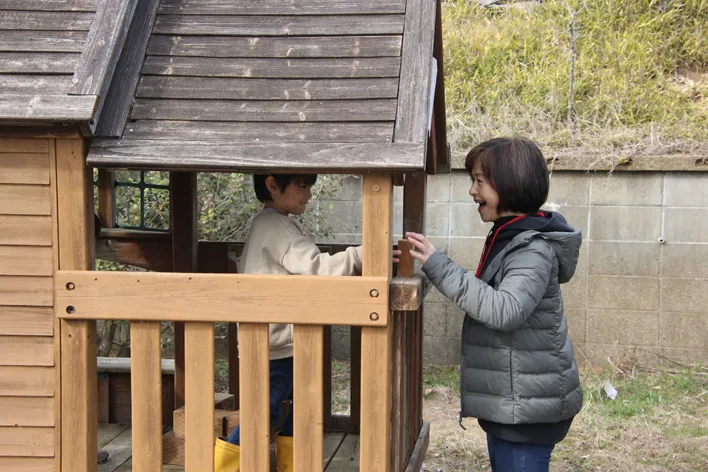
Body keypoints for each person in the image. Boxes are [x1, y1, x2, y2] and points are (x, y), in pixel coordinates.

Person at [405, 137, 583, 472]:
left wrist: (438, 264)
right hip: (516, 403)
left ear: (509, 183)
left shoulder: (531, 248)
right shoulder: (511, 234)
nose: (472, 191)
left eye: (479, 181)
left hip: (527, 412)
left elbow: (504, 310)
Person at [214, 173, 363, 472]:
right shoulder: (276, 227)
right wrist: (362, 253)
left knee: (292, 410)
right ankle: (227, 468)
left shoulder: (267, 223)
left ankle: (291, 464)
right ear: (273, 185)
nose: (308, 194)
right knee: (264, 414)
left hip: (271, 339)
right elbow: (317, 267)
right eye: (302, 186)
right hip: (276, 344)